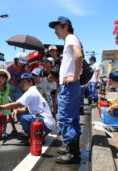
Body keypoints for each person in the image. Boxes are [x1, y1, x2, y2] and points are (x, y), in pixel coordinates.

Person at [49, 16, 83, 164]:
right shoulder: (71, 39)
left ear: (65, 27)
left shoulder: (70, 38)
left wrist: (74, 77)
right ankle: (72, 149)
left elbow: (79, 55)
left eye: (57, 28)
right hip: (70, 85)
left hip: (69, 85)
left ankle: (73, 154)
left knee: (64, 117)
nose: (55, 32)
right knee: (72, 118)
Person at [0, 73, 56, 139]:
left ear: (30, 82)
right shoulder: (33, 91)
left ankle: (36, 136)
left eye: (24, 82)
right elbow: (26, 109)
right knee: (22, 114)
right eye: (21, 82)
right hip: (48, 123)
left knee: (23, 117)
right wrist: (17, 110)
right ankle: (40, 134)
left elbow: (17, 104)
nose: (21, 84)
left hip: (45, 122)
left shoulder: (31, 92)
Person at [0, 69, 17, 139]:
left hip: (5, 103)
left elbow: (8, 96)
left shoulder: (8, 86)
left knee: (5, 117)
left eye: (3, 78)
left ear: (6, 80)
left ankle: (4, 131)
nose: (0, 80)